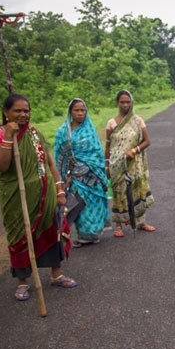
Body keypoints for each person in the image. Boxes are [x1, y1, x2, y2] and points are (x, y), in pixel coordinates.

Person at [0, 93, 77, 302]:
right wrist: (9, 137)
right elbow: (1, 164)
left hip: (44, 196)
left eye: (26, 111)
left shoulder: (34, 134)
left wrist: (60, 190)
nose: (22, 115)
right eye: (17, 111)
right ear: (6, 112)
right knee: (20, 237)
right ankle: (22, 282)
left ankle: (56, 275)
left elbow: (50, 164)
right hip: (17, 197)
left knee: (51, 232)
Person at [54, 98, 109, 246]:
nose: (80, 113)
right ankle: (83, 235)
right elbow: (60, 155)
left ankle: (93, 234)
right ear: (70, 112)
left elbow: (97, 154)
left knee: (93, 204)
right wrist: (65, 175)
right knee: (78, 203)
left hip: (91, 176)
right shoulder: (62, 132)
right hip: (73, 178)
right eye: (76, 110)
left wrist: (95, 169)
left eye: (82, 110)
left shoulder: (89, 130)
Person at [105, 90, 156, 237]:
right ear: (117, 103)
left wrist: (134, 150)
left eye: (128, 102)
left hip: (134, 163)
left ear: (132, 102)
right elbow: (108, 146)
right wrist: (107, 164)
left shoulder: (138, 121)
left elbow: (147, 141)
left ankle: (141, 222)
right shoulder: (111, 123)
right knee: (118, 192)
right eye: (122, 102)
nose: (125, 105)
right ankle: (118, 226)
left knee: (137, 191)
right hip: (117, 164)